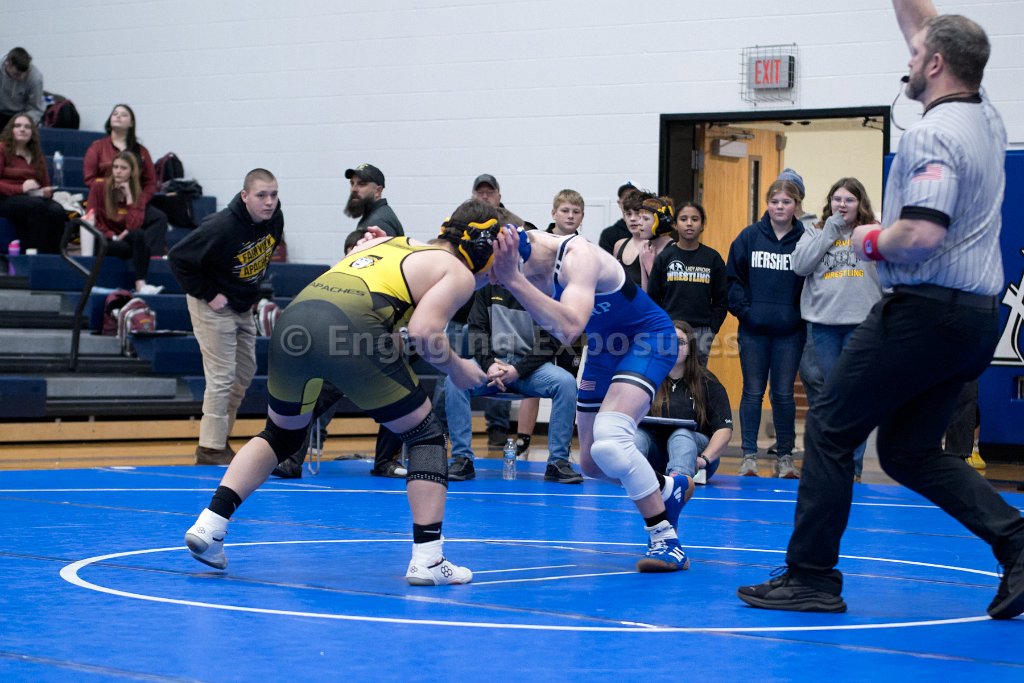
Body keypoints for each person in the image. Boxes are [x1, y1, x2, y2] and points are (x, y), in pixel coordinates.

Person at [738, 0, 1024, 620]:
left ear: (937, 64)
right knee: (908, 450)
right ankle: (1018, 541)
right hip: (973, 317)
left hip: (925, 313)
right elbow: (928, 27)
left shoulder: (934, 135)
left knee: (830, 427)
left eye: (916, 55)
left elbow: (918, 235)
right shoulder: (987, 116)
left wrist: (867, 239)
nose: (907, 59)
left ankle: (811, 577)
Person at [184, 200, 498, 586]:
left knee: (280, 435)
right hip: (347, 326)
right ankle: (429, 559)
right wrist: (459, 368)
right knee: (424, 435)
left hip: (294, 322)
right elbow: (423, 333)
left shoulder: (387, 243)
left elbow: (390, 320)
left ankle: (210, 524)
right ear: (481, 250)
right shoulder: (455, 271)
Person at [488, 222, 695, 572]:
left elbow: (569, 328)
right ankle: (666, 487)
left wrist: (512, 279)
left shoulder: (577, 255)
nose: (492, 281)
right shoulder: (525, 268)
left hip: (648, 338)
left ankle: (666, 541)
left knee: (611, 442)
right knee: (592, 463)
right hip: (603, 348)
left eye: (492, 272)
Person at [168, 169, 284, 465]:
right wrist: (209, 293)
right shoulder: (222, 225)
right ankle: (210, 448)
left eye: (273, 195)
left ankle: (220, 439)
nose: (269, 202)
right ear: (245, 196)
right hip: (211, 303)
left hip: (241, 304)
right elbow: (178, 258)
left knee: (244, 372)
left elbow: (261, 258)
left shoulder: (275, 218)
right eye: (261, 195)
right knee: (222, 376)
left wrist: (250, 293)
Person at [271, 229, 408, 480]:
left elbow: (400, 334)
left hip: (376, 360)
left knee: (403, 398)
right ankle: (290, 459)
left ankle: (386, 461)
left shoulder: (388, 286)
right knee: (306, 400)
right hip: (338, 360)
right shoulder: (332, 282)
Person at [446, 282, 582, 483]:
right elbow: (477, 332)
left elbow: (550, 341)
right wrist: (489, 365)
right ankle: (462, 458)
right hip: (492, 367)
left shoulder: (544, 291)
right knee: (454, 380)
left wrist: (518, 370)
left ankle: (558, 462)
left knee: (566, 383)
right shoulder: (486, 290)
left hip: (528, 371)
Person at [791, 177, 882, 481]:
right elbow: (800, 266)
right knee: (832, 395)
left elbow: (891, 272)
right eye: (837, 199)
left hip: (862, 324)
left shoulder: (873, 231)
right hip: (824, 325)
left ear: (860, 203)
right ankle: (831, 462)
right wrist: (829, 231)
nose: (842, 205)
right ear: (829, 202)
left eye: (849, 200)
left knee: (854, 395)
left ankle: (852, 467)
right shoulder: (814, 230)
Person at [726, 177, 806, 479]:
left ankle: (785, 456)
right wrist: (745, 313)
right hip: (753, 330)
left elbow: (812, 282)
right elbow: (732, 279)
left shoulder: (805, 239)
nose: (780, 207)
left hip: (791, 332)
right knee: (752, 392)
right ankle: (749, 456)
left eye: (786, 202)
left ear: (796, 205)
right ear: (767, 204)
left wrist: (799, 315)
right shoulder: (749, 237)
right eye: (775, 202)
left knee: (783, 395)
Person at [635, 321, 732, 485]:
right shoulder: (648, 379)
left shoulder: (707, 382)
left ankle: (678, 482)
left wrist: (704, 459)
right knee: (637, 436)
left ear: (691, 348)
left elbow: (724, 430)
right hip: (656, 453)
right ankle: (631, 477)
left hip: (696, 457)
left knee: (681, 435)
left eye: (680, 342)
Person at [647, 202, 728, 366]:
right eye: (683, 219)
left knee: (697, 376)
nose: (689, 223)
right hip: (670, 329)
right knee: (668, 375)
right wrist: (662, 327)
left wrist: (712, 327)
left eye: (695, 219)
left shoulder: (713, 258)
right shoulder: (665, 258)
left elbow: (722, 299)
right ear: (675, 225)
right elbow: (653, 298)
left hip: (702, 331)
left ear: (702, 225)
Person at [83, 104, 169, 255]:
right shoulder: (97, 147)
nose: (118, 116)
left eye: (124, 115)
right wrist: (110, 189)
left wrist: (139, 200)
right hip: (106, 198)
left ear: (131, 123)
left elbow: (150, 182)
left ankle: (149, 256)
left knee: (159, 218)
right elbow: (90, 178)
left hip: (132, 197)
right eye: (115, 113)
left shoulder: (141, 151)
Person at [84, 151, 163, 294]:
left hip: (124, 240)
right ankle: (141, 284)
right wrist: (112, 235)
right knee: (142, 248)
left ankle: (140, 285)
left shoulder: (137, 193)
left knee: (139, 235)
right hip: (102, 238)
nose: (118, 171)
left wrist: (129, 197)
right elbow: (91, 217)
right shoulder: (99, 186)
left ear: (132, 172)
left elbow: (134, 225)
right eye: (115, 167)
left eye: (123, 168)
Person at [0, 113, 66, 253]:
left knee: (57, 210)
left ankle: (53, 256)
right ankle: (33, 254)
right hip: (5, 198)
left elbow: (45, 183)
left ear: (32, 132)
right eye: (18, 126)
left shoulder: (37, 155)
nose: (22, 129)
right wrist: (20, 188)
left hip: (32, 196)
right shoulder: (2, 149)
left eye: (27, 127)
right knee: (36, 207)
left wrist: (46, 192)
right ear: (11, 130)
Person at [614, 192, 674, 291]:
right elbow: (645, 294)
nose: (634, 219)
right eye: (628, 214)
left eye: (638, 214)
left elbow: (671, 293)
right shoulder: (640, 249)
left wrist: (650, 267)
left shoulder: (666, 249)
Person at [344, 163, 403, 236]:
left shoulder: (376, 224)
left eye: (361, 184)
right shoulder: (379, 213)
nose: (353, 189)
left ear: (378, 191)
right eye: (352, 183)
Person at [0, 49, 44, 128]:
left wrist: (23, 122)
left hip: (21, 115)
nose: (22, 77)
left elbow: (35, 109)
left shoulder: (36, 78)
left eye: (25, 73)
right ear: (7, 63)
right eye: (17, 74)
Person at [598, 182, 637, 254]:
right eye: (626, 198)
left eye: (633, 197)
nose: (629, 201)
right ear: (619, 203)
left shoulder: (649, 232)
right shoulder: (609, 234)